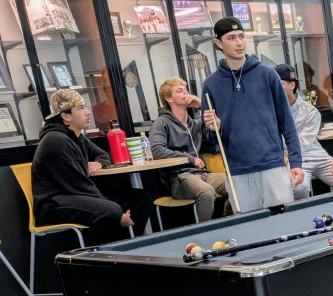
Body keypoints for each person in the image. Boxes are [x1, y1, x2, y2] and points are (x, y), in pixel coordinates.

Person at [201, 16, 303, 212]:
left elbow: (287, 123)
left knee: (285, 226)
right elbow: (209, 139)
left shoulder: (268, 75)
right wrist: (214, 128)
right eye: (231, 38)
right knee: (252, 234)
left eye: (241, 36)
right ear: (218, 43)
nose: (239, 43)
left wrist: (296, 162)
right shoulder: (210, 85)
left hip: (273, 167)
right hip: (237, 173)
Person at [31, 88, 148, 245]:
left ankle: (126, 248)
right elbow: (79, 186)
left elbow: (105, 155)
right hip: (53, 205)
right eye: (80, 108)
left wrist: (99, 163)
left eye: (85, 106)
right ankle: (112, 257)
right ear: (66, 116)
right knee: (112, 210)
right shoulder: (57, 140)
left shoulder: (77, 137)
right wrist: (118, 213)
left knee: (141, 198)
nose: (87, 112)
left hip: (73, 196)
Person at [149, 77, 227, 221]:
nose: (186, 93)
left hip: (203, 174)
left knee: (235, 183)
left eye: (186, 90)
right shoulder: (161, 123)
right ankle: (204, 233)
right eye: (180, 91)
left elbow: (215, 138)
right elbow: (156, 150)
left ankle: (227, 222)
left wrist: (201, 105)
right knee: (206, 192)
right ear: (169, 98)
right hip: (180, 178)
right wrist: (190, 160)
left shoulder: (194, 123)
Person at [274, 63, 333, 198]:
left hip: (316, 156)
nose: (276, 88)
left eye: (281, 84)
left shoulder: (311, 112)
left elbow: (302, 144)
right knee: (298, 188)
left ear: (292, 85)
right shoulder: (271, 113)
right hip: (293, 161)